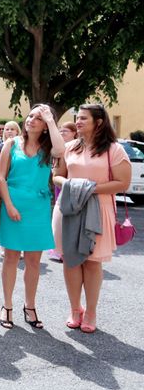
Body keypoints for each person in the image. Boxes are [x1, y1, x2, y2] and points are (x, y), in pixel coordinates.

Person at [52, 104, 131, 333]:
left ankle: (92, 311)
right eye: (77, 118)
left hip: (99, 208)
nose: (78, 121)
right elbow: (57, 176)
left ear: (98, 122)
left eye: (83, 118)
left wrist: (88, 189)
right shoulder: (69, 147)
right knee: (70, 259)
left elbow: (122, 183)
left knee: (92, 261)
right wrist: (71, 186)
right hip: (68, 208)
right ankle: (75, 309)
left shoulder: (114, 150)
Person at [0, 105, 64, 329]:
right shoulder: (11, 143)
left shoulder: (48, 148)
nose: (31, 120)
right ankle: (7, 306)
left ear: (46, 126)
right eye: (31, 115)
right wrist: (9, 205)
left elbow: (61, 150)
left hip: (38, 208)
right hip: (13, 205)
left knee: (34, 261)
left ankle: (30, 305)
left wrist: (51, 119)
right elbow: (0, 176)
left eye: (39, 118)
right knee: (11, 258)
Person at [47, 121, 78, 262]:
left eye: (66, 131)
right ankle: (57, 249)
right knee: (60, 216)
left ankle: (69, 249)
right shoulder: (59, 147)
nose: (62, 133)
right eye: (61, 131)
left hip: (76, 188)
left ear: (74, 133)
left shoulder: (78, 146)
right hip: (62, 183)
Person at [0, 120, 21, 257]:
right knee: (2, 215)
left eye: (12, 129)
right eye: (7, 129)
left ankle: (19, 245)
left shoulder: (22, 147)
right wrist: (2, 182)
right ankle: (4, 245)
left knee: (19, 215)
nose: (9, 131)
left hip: (18, 185)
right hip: (2, 183)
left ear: (18, 132)